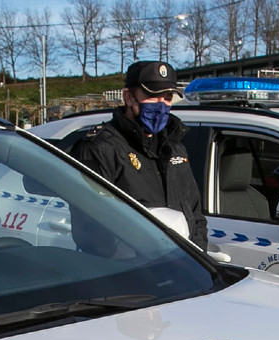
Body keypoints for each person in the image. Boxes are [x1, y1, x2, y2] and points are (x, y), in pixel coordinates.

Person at [70, 61, 207, 249]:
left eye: (167, 98)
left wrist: (197, 256)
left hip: (179, 263)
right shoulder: (100, 148)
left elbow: (196, 215)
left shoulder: (175, 147)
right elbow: (91, 230)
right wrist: (141, 257)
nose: (161, 105)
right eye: (153, 96)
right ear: (128, 97)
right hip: (131, 265)